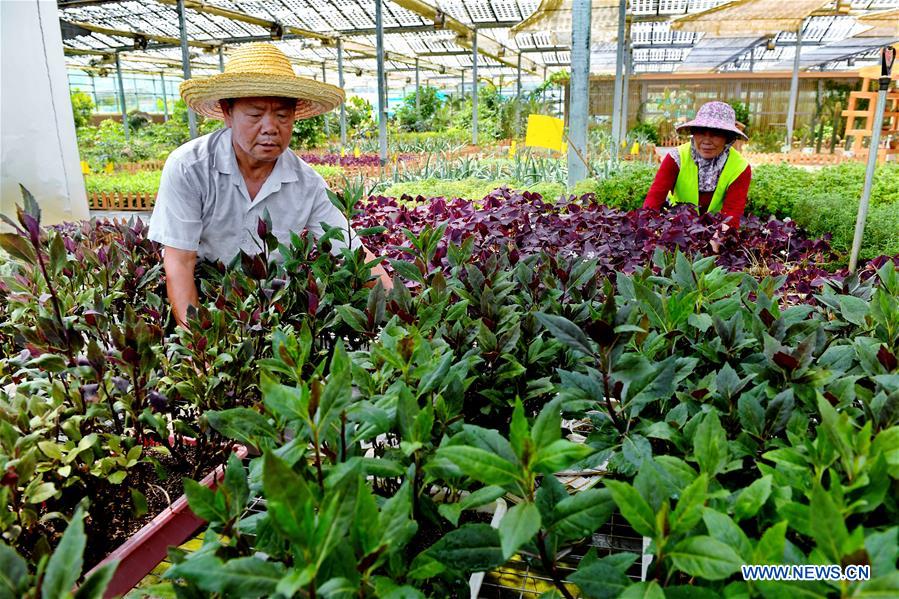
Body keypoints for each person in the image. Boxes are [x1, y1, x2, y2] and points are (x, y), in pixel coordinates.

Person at [148, 43, 391, 327]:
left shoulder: (307, 183)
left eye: (282, 115)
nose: (270, 127)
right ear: (228, 112)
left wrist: (403, 312)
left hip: (270, 307)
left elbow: (352, 253)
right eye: (255, 114)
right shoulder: (190, 167)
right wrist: (197, 347)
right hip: (204, 296)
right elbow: (180, 261)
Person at [642, 101, 751, 227]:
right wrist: (647, 231)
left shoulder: (740, 167)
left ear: (728, 138)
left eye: (715, 134)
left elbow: (732, 213)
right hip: (677, 227)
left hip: (716, 229)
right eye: (701, 132)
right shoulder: (676, 158)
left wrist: (719, 239)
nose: (706, 141)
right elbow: (654, 199)